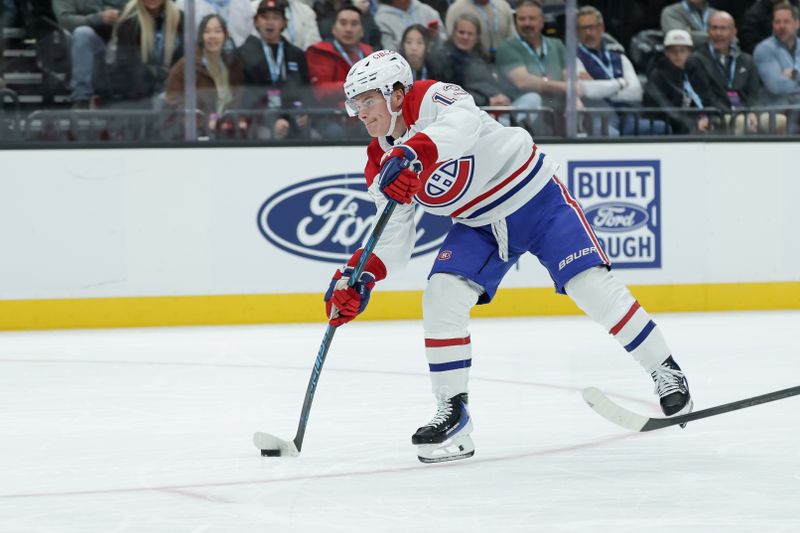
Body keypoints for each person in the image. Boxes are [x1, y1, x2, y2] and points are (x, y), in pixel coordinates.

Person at [325, 49, 693, 463]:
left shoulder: (432, 97)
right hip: (479, 223)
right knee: (441, 294)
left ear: (395, 94)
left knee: (588, 284)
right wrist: (360, 275)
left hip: (535, 197)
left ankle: (665, 370)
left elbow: (462, 124)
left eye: (366, 100)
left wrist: (415, 152)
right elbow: (392, 236)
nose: (360, 113)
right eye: (354, 104)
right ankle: (454, 413)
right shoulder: (379, 160)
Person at [687, 10, 786, 135]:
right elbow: (707, 97)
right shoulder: (697, 60)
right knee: (741, 123)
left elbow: (755, 93)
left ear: (734, 32)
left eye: (723, 29)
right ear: (708, 31)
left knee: (780, 121)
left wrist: (753, 112)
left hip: (746, 113)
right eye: (714, 28)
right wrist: (739, 114)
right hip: (716, 114)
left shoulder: (746, 60)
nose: (718, 33)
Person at [575, 5, 666, 136]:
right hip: (597, 116)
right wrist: (621, 84)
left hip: (627, 116)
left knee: (662, 128)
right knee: (611, 135)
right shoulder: (574, 58)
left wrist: (601, 88)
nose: (588, 32)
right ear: (578, 32)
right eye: (584, 28)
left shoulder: (619, 57)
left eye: (592, 27)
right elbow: (587, 90)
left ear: (601, 28)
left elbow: (636, 92)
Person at [494, 0, 570, 135]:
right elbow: (523, 82)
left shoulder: (556, 44)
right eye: (522, 19)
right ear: (515, 21)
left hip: (558, 114)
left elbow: (569, 76)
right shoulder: (507, 47)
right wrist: (564, 87)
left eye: (532, 18)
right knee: (532, 98)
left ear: (542, 21)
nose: (527, 23)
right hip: (526, 119)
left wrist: (574, 97)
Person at [238, 0, 310, 138]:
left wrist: (305, 113)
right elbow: (247, 94)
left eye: (275, 18)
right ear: (256, 21)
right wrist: (272, 121)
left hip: (293, 118)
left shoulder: (296, 54)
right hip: (259, 120)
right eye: (265, 17)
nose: (269, 22)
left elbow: (306, 89)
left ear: (284, 23)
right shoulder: (244, 54)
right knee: (264, 135)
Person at [165, 14, 245, 133]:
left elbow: (240, 98)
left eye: (217, 31)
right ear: (200, 36)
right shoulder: (185, 66)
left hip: (229, 131)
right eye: (207, 31)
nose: (212, 36)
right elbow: (173, 100)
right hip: (195, 132)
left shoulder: (234, 65)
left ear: (225, 35)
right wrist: (201, 122)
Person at [108, 0, 184, 107]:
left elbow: (183, 60)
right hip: (138, 94)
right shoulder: (129, 22)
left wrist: (172, 88)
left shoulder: (180, 18)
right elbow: (129, 66)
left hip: (173, 90)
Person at [53, 0, 128, 108]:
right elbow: (65, 20)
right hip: (92, 44)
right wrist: (98, 18)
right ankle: (82, 98)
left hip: (125, 38)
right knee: (82, 33)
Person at [434, 14, 514, 109]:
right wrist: (487, 101)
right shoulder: (442, 59)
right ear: (454, 34)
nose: (465, 37)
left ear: (477, 38)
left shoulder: (483, 58)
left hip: (498, 106)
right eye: (461, 32)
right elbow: (451, 93)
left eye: (470, 34)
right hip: (467, 110)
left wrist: (505, 97)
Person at [644, 29, 716, 134]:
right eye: (673, 51)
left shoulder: (697, 72)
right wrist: (693, 123)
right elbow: (664, 107)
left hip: (700, 121)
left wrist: (712, 117)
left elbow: (710, 97)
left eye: (682, 50)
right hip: (672, 126)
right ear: (666, 53)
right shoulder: (657, 75)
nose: (678, 55)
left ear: (690, 52)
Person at [753, 2, 800, 111]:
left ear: (797, 24)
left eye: (786, 21)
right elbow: (776, 86)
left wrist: (793, 74)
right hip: (776, 112)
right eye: (777, 22)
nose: (781, 26)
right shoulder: (763, 49)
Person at [444, 0, 514, 61]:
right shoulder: (456, 9)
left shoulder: (503, 6)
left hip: (503, 64)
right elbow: (452, 43)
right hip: (470, 64)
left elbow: (512, 40)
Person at [175, 0, 254, 48]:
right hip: (199, 63)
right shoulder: (184, 4)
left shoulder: (244, 2)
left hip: (237, 63)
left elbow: (249, 35)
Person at [374, 0, 443, 52]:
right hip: (403, 67)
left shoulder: (427, 11)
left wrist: (435, 37)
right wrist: (409, 42)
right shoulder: (381, 19)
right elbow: (389, 52)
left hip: (434, 63)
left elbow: (445, 41)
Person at [251, 0, 321, 50]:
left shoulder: (306, 11)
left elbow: (313, 45)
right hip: (258, 61)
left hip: (298, 62)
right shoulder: (251, 9)